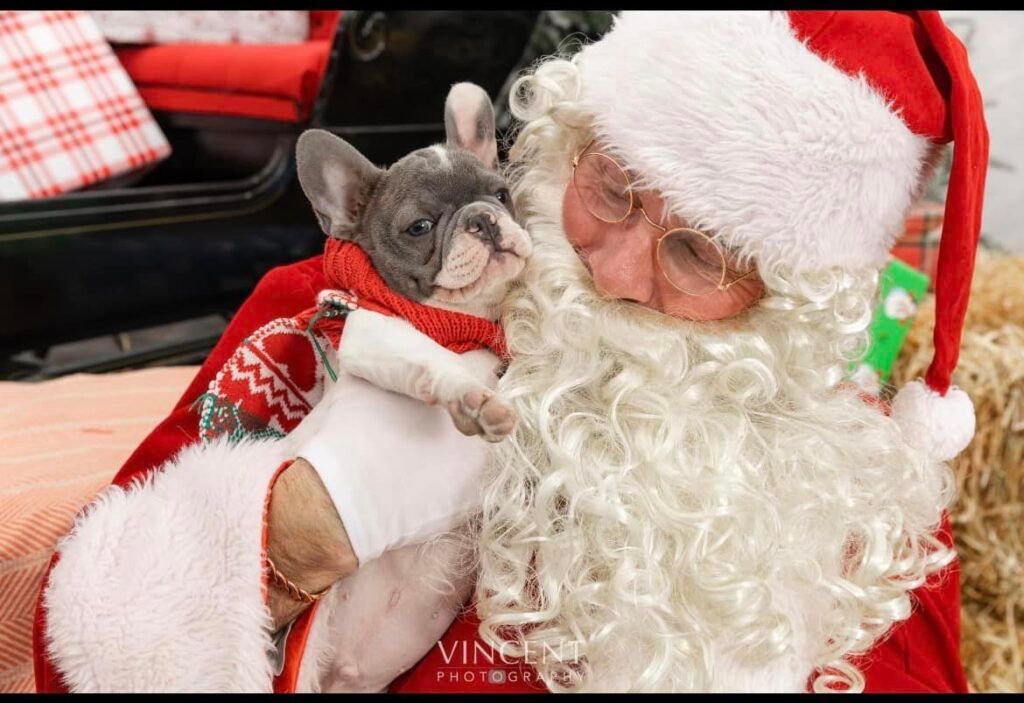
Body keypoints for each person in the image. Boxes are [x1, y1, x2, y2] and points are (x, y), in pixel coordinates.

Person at [33, 10, 986, 693]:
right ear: (567, 141)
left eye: (699, 252)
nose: (612, 270)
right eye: (611, 186)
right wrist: (287, 539)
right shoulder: (336, 313)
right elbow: (70, 655)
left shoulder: (861, 496)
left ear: (789, 302)